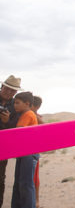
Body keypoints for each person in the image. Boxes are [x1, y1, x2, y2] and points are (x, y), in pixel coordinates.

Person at [11, 92, 39, 208]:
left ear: (27, 103)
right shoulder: (23, 114)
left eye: (17, 103)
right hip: (23, 153)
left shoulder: (28, 114)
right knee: (19, 183)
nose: (15, 106)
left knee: (26, 184)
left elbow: (18, 131)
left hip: (29, 153)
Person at [0, 75, 23, 208]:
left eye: (12, 91)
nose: (9, 92)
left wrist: (6, 122)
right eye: (7, 89)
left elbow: (14, 129)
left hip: (2, 147)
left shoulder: (15, 106)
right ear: (2, 87)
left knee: (0, 179)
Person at [31, 96, 44, 208]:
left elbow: (44, 126)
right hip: (29, 150)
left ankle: (36, 201)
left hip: (33, 150)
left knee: (34, 176)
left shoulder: (34, 116)